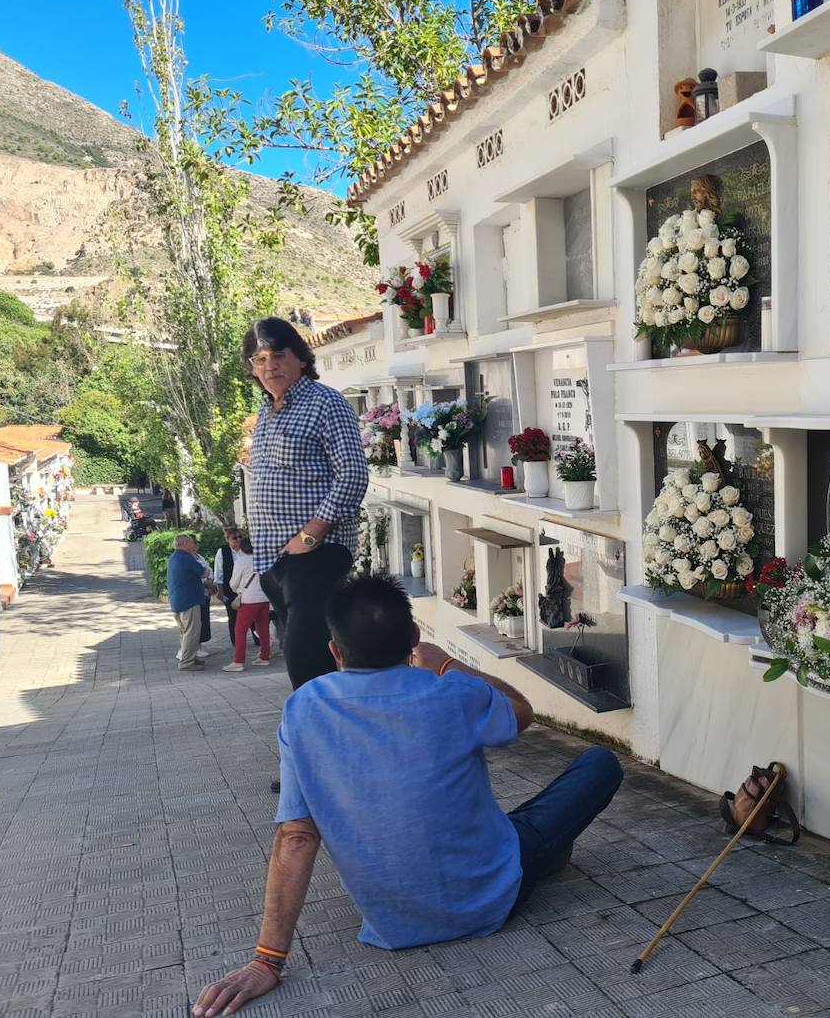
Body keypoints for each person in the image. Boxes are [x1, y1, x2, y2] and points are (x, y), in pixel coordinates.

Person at [190, 576, 622, 1018]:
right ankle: (546, 858)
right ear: (414, 638)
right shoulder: (453, 690)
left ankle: (546, 854)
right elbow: (520, 712)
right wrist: (445, 662)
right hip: (492, 894)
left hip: (393, 920)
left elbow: (297, 836)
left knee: (516, 824)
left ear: (336, 651)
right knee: (598, 764)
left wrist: (267, 959)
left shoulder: (303, 708)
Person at [243, 318, 367, 694]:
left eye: (278, 355)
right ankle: (333, 740)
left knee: (307, 663)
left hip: (314, 557)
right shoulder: (267, 413)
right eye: (259, 359)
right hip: (274, 563)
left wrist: (310, 536)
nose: (270, 366)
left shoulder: (326, 403)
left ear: (299, 357)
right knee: (315, 664)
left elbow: (353, 476)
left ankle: (320, 741)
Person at [223, 535, 271, 672]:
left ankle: (238, 661)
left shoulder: (241, 562)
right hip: (264, 597)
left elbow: (233, 583)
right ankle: (264, 656)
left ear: (242, 548)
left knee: (240, 630)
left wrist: (238, 590)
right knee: (263, 627)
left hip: (249, 599)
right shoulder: (263, 560)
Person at [167, 534, 211, 671]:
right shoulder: (186, 557)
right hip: (189, 601)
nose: (194, 545)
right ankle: (186, 662)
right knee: (192, 632)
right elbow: (204, 573)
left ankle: (191, 658)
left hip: (178, 600)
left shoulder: (174, 557)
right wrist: (207, 569)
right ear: (185, 543)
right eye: (192, 542)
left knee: (185, 632)